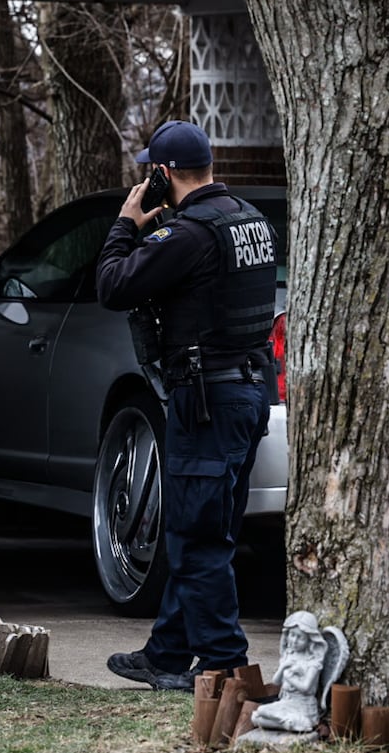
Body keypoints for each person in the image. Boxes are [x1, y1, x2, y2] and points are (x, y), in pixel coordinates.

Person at [97, 120, 277, 692]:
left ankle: (224, 662)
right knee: (203, 529)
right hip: (249, 395)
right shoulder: (252, 221)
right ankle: (167, 654)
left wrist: (128, 223)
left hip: (207, 401)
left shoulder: (190, 234)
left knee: (197, 538)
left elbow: (111, 285)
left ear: (162, 173)